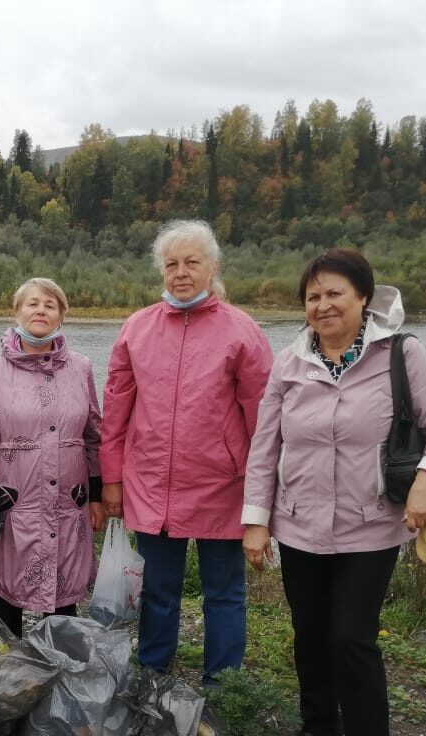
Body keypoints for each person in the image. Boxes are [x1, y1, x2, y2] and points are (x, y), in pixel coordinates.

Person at [241, 249, 426, 736]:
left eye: (335, 293)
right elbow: (265, 446)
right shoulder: (289, 362)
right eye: (313, 296)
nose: (323, 305)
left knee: (351, 638)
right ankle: (320, 728)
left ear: (364, 297)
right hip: (299, 524)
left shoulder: (401, 355)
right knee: (310, 631)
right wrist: (257, 522)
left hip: (370, 526)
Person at [100, 220, 272, 684]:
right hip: (150, 484)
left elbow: (264, 419)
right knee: (158, 589)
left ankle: (223, 687)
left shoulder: (242, 331)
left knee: (224, 592)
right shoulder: (137, 328)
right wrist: (112, 478)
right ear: (162, 270)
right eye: (172, 264)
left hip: (223, 486)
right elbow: (115, 409)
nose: (181, 272)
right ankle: (153, 676)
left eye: (192, 262)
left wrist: (262, 496)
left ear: (212, 267)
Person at [0, 278, 105, 636]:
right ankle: (7, 677)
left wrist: (99, 494)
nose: (41, 310)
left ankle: (58, 674)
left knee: (62, 596)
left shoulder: (81, 367)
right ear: (17, 312)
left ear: (61, 317)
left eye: (50, 305)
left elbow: (94, 434)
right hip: (13, 501)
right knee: (6, 594)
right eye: (32, 304)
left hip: (67, 502)